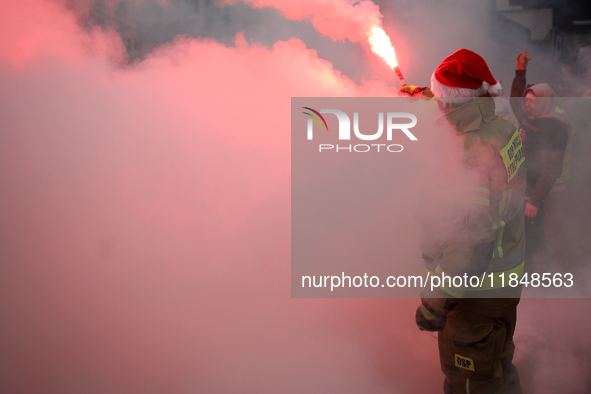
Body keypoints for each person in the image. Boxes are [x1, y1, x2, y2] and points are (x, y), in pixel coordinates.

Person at [414, 49, 527, 394]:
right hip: (505, 284)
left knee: (471, 382)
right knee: (499, 363)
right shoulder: (502, 128)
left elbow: (470, 239)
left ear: (448, 103)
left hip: (474, 291)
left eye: (438, 98)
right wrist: (426, 98)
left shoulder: (469, 152)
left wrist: (435, 303)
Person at [509, 52, 570, 271]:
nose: (526, 105)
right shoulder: (531, 118)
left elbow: (552, 169)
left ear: (544, 102)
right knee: (522, 241)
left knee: (539, 242)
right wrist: (520, 70)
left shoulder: (554, 126)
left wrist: (534, 199)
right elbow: (515, 100)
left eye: (532, 101)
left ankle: (543, 284)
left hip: (540, 196)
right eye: (526, 101)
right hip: (523, 194)